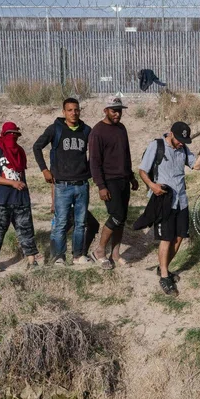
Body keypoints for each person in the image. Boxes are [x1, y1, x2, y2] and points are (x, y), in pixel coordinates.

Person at [137, 122, 200, 295]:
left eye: (183, 141)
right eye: (178, 140)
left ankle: (163, 267)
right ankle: (164, 276)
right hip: (164, 200)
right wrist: (152, 185)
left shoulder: (183, 148)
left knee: (179, 237)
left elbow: (196, 165)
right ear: (171, 133)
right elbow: (142, 170)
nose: (180, 143)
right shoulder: (156, 146)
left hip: (181, 200)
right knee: (166, 238)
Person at [33, 97, 94, 266]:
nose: (73, 113)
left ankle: (78, 255)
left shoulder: (86, 130)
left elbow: (96, 151)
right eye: (70, 110)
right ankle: (58, 257)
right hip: (62, 185)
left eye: (76, 110)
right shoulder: (55, 129)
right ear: (64, 112)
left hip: (82, 185)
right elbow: (37, 147)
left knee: (80, 223)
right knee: (60, 223)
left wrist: (89, 170)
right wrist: (44, 169)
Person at [0, 121, 40, 272]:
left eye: (16, 134)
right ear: (4, 134)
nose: (13, 137)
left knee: (26, 231)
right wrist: (12, 183)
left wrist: (25, 196)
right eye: (10, 134)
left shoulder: (19, 151)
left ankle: (32, 262)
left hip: (20, 198)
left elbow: (21, 175)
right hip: (1, 199)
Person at [88, 95, 137, 270]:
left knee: (122, 219)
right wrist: (101, 186)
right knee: (116, 216)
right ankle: (99, 251)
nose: (117, 114)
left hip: (123, 179)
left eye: (119, 111)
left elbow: (126, 155)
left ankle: (115, 254)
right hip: (109, 181)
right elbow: (94, 162)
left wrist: (131, 176)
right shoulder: (97, 132)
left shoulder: (121, 128)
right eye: (114, 111)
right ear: (105, 110)